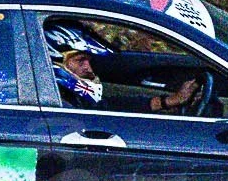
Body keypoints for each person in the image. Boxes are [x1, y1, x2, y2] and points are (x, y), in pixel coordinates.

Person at [44, 19, 202, 114]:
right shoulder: (57, 104)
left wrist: (169, 101)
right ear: (56, 61)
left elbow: (106, 107)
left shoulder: (71, 98)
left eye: (88, 61)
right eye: (80, 61)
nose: (89, 68)